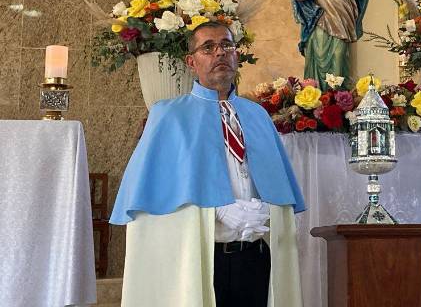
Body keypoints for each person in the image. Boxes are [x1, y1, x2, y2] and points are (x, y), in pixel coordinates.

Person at [110, 21, 305, 307]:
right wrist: (219, 210)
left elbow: (278, 187)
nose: (220, 53)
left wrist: (269, 209)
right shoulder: (168, 116)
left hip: (255, 258)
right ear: (191, 62)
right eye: (208, 47)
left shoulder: (258, 116)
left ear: (237, 55)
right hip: (202, 259)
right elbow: (153, 205)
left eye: (227, 45)